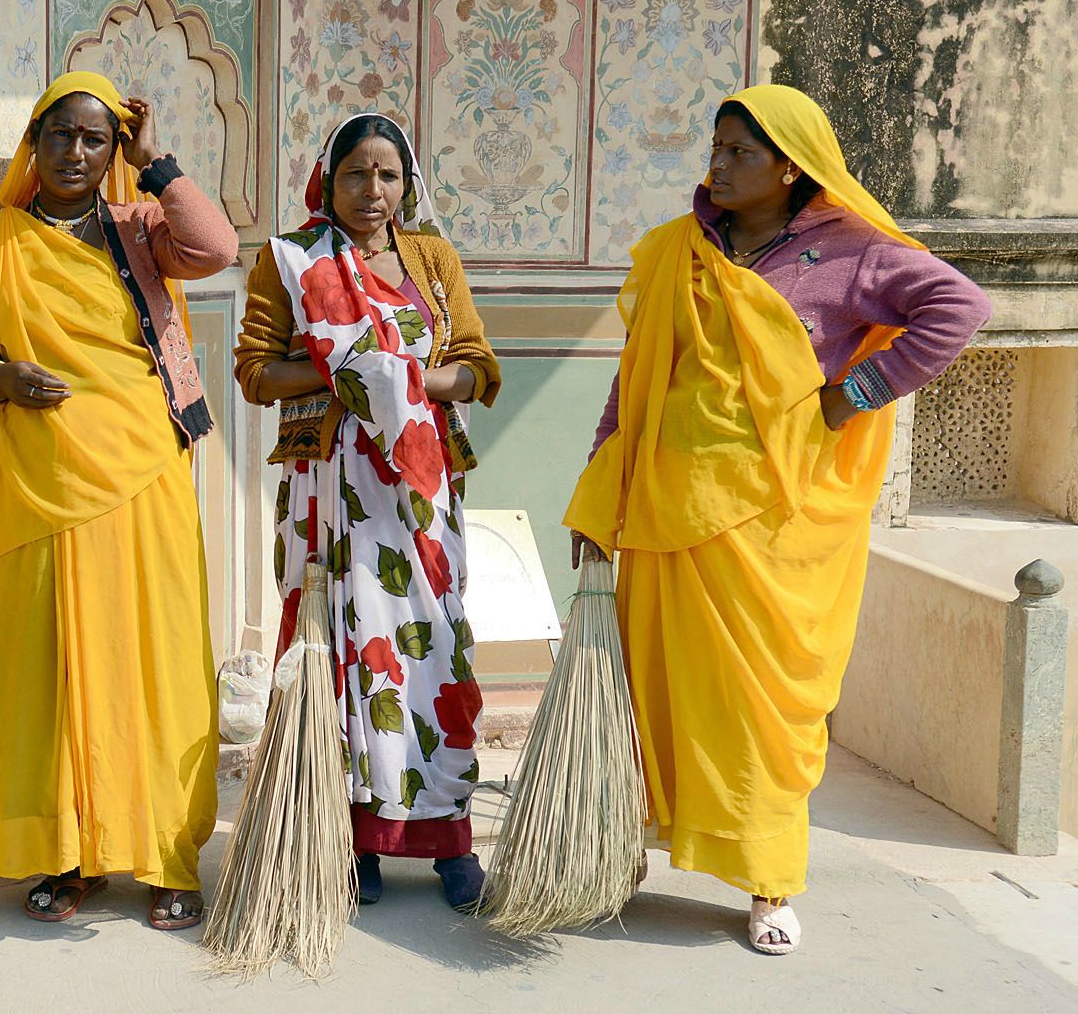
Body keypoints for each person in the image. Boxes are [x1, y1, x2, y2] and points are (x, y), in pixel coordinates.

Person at [566, 85, 991, 954]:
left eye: (739, 153)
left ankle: (767, 884)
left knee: (760, 715)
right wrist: (599, 487)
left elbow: (959, 310)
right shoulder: (678, 251)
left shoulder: (853, 253)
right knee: (653, 695)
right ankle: (623, 853)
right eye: (714, 149)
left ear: (791, 165)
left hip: (771, 530)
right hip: (663, 510)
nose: (717, 167)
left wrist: (855, 393)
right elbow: (638, 377)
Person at [0, 72, 238, 930]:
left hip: (141, 475)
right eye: (59, 134)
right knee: (42, 672)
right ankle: (67, 854)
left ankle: (168, 853)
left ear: (112, 153)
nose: (75, 152)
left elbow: (216, 250)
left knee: (155, 661)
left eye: (95, 140)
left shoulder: (140, 228)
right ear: (35, 142)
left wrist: (157, 163)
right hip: (34, 482)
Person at [233, 113, 501, 912]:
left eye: (388, 175)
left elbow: (480, 367)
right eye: (357, 174)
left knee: (434, 648)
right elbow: (255, 371)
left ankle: (448, 834)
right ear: (328, 178)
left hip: (419, 491)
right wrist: (346, 375)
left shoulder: (433, 259)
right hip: (331, 487)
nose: (373, 192)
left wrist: (408, 383)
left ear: (407, 183)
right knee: (341, 656)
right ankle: (354, 840)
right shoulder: (292, 259)